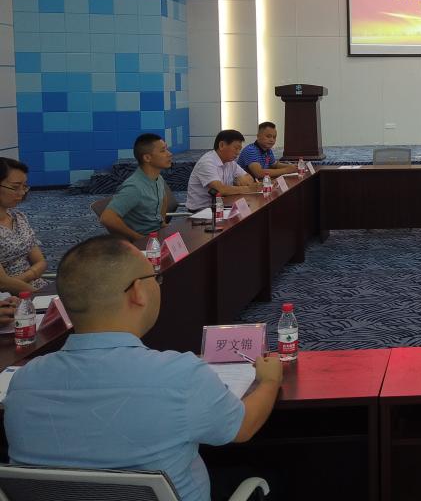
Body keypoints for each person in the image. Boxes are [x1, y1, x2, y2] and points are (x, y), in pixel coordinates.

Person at [4, 234, 283, 501]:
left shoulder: (24, 382)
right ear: (138, 292)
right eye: (155, 277)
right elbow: (244, 427)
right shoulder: (180, 376)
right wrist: (269, 381)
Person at [100, 133, 174, 241]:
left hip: (156, 235)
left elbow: (164, 199)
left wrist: (162, 223)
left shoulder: (158, 178)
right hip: (143, 242)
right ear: (147, 158)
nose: (169, 154)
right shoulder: (134, 187)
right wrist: (139, 238)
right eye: (163, 151)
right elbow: (107, 218)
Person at [0, 157, 48, 293]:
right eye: (15, 187)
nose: (22, 193)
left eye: (24, 186)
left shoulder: (18, 217)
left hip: (34, 287)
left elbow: (41, 262)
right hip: (10, 298)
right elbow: (3, 283)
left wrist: (27, 277)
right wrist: (38, 294)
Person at [186, 130, 259, 212]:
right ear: (221, 145)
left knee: (250, 210)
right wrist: (248, 188)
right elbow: (220, 190)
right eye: (236, 148)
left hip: (222, 205)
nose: (238, 153)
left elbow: (249, 178)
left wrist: (240, 180)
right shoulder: (207, 162)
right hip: (202, 210)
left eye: (239, 149)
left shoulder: (230, 162)